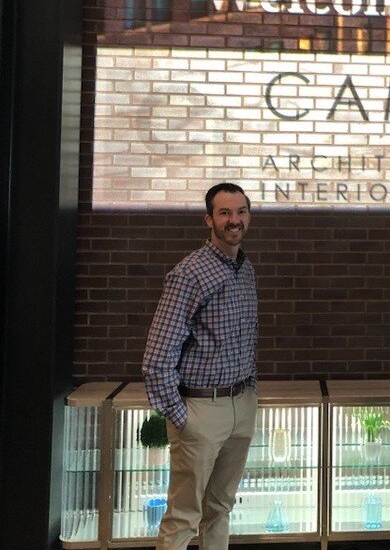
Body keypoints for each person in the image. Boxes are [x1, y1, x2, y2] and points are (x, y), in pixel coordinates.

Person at [142, 183, 259, 550]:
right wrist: (181, 416)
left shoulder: (245, 268)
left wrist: (249, 393)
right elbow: (157, 358)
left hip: (241, 405)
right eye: (224, 213)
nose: (233, 220)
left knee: (221, 508)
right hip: (200, 410)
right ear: (209, 219)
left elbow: (246, 339)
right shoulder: (189, 273)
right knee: (183, 516)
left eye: (240, 211)